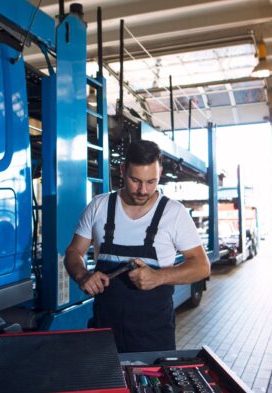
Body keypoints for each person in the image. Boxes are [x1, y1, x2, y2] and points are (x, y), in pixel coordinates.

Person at [64, 139, 210, 352]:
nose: (143, 190)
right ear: (123, 170)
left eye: (152, 182)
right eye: (135, 180)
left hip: (154, 338)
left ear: (159, 173)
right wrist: (82, 275)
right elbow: (74, 252)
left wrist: (160, 276)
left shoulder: (174, 213)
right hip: (104, 335)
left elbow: (201, 266)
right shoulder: (99, 206)